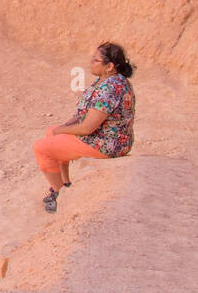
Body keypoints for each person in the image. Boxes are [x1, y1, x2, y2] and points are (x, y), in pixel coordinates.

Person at [33, 42, 136, 212]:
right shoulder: (108, 81)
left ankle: (59, 195)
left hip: (106, 144)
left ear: (109, 66)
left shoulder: (110, 88)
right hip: (110, 138)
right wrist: (63, 127)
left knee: (41, 147)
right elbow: (86, 113)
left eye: (95, 60)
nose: (90, 62)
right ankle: (65, 183)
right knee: (51, 132)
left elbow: (88, 128)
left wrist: (61, 131)